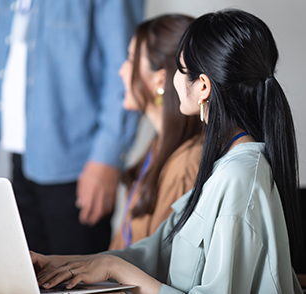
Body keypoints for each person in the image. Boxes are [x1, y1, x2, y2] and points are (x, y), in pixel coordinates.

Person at [30, 9, 303, 293]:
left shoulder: (238, 178)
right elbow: (154, 253)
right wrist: (54, 263)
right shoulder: (223, 166)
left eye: (180, 70)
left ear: (203, 87)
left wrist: (116, 269)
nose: (174, 79)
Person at [0, 0, 144, 254]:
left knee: (78, 284)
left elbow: (125, 68)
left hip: (78, 165)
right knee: (30, 280)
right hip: (21, 154)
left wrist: (107, 159)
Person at [109, 14, 203, 250]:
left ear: (160, 79)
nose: (121, 71)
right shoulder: (158, 147)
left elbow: (161, 265)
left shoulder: (187, 163)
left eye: (130, 59)